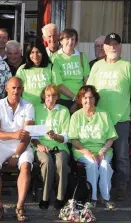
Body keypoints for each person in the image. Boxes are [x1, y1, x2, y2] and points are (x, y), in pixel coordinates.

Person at [87, 33, 131, 200]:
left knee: (121, 156)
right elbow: (89, 90)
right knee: (100, 154)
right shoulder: (97, 66)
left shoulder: (127, 66)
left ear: (120, 47)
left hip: (121, 119)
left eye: (116, 44)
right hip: (100, 120)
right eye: (109, 44)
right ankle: (100, 187)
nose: (112, 47)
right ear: (104, 48)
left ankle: (121, 188)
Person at [0, 77, 34, 221]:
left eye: (19, 88)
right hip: (1, 144)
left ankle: (20, 206)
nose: (16, 91)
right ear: (6, 88)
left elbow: (27, 136)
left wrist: (16, 155)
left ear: (22, 89)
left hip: (22, 145)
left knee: (25, 167)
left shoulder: (28, 106)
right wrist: (13, 134)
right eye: (13, 88)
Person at [68, 85, 117, 209]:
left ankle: (106, 198)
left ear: (95, 99)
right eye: (84, 97)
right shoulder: (76, 116)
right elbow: (74, 140)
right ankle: (93, 198)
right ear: (80, 99)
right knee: (92, 164)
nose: (88, 101)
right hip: (82, 150)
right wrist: (88, 152)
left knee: (105, 165)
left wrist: (102, 152)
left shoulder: (104, 114)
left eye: (91, 97)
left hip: (103, 149)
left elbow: (111, 137)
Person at [31, 84, 70, 210]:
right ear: (44, 96)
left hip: (59, 145)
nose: (50, 98)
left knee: (61, 163)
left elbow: (66, 136)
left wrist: (56, 136)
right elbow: (32, 133)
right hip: (41, 145)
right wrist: (39, 145)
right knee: (47, 162)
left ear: (58, 97)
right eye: (48, 95)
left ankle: (60, 197)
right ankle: (45, 197)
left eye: (53, 95)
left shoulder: (64, 110)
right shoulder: (36, 109)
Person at [51, 28, 90, 110]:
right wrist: (75, 98)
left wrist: (81, 98)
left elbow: (86, 80)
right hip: (62, 100)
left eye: (73, 39)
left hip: (81, 100)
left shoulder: (82, 57)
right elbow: (58, 84)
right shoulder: (55, 58)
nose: (70, 42)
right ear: (61, 41)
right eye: (67, 39)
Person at [16, 38, 60, 106]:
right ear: (28, 54)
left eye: (38, 52)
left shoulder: (51, 67)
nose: (35, 56)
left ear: (43, 53)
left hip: (46, 107)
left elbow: (57, 88)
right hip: (27, 107)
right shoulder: (22, 69)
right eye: (32, 52)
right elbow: (17, 89)